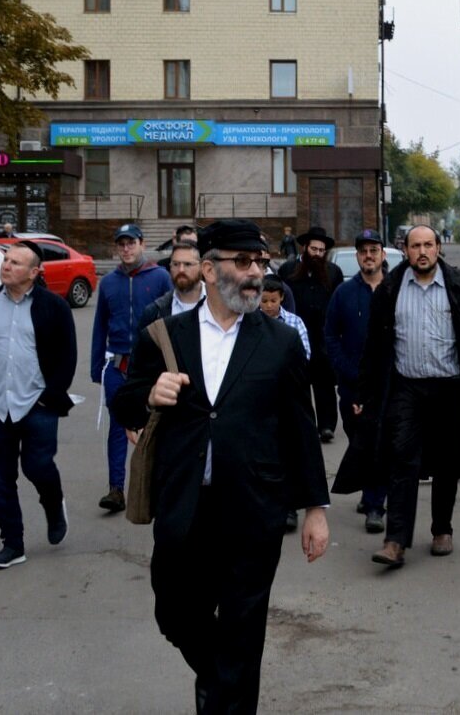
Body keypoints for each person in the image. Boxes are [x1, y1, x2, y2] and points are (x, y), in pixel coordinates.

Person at [110, 219, 329, 714]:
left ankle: (225, 694)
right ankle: (219, 677)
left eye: (260, 263)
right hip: (185, 506)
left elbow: (301, 428)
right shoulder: (164, 335)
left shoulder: (280, 342)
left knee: (243, 631)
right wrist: (149, 394)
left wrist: (314, 507)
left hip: (253, 509)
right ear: (208, 269)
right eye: (243, 262)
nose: (255, 274)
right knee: (174, 613)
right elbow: (125, 404)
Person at [341, 225, 460, 569]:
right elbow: (374, 347)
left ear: (438, 247)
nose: (422, 251)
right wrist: (363, 391)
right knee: (402, 459)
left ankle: (442, 529)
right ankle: (395, 540)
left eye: (428, 244)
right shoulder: (390, 288)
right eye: (415, 246)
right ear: (406, 249)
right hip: (407, 387)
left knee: (448, 461)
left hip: (450, 386)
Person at [0, 242, 76, 570]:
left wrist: (50, 396)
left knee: (38, 467)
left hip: (37, 405)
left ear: (33, 273)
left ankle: (54, 505)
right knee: (1, 479)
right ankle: (12, 544)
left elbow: (66, 356)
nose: (6, 266)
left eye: (15, 262)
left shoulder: (53, 307)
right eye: (5, 260)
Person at [90, 223, 172, 513]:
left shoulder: (160, 277)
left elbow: (173, 319)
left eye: (131, 243)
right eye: (121, 244)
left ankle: (156, 484)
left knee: (154, 426)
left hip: (151, 366)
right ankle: (116, 488)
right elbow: (100, 324)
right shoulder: (109, 282)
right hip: (118, 365)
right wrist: (96, 364)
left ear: (141, 244)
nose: (126, 249)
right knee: (117, 425)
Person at [324, 229, 389, 533]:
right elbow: (330, 335)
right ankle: (370, 490)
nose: (368, 256)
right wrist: (346, 370)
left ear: (382, 255)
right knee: (359, 441)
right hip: (352, 387)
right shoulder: (344, 293)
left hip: (389, 386)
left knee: (378, 444)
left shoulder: (394, 290)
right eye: (363, 251)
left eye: (373, 250)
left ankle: (375, 505)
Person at [278, 226, 344, 442]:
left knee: (324, 385)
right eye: (314, 249)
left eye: (321, 250)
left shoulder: (333, 272)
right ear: (305, 247)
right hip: (296, 336)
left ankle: (326, 426)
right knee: (299, 385)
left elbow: (338, 304)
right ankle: (304, 425)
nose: (317, 254)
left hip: (324, 337)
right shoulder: (288, 270)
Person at [140, 241, 206, 329]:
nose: (181, 270)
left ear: (201, 267)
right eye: (176, 264)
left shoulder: (221, 305)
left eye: (187, 264)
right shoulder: (155, 313)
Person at [259, 276, 310, 360]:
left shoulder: (295, 321)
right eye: (264, 301)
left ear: (281, 297)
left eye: (273, 301)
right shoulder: (251, 321)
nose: (269, 305)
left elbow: (305, 352)